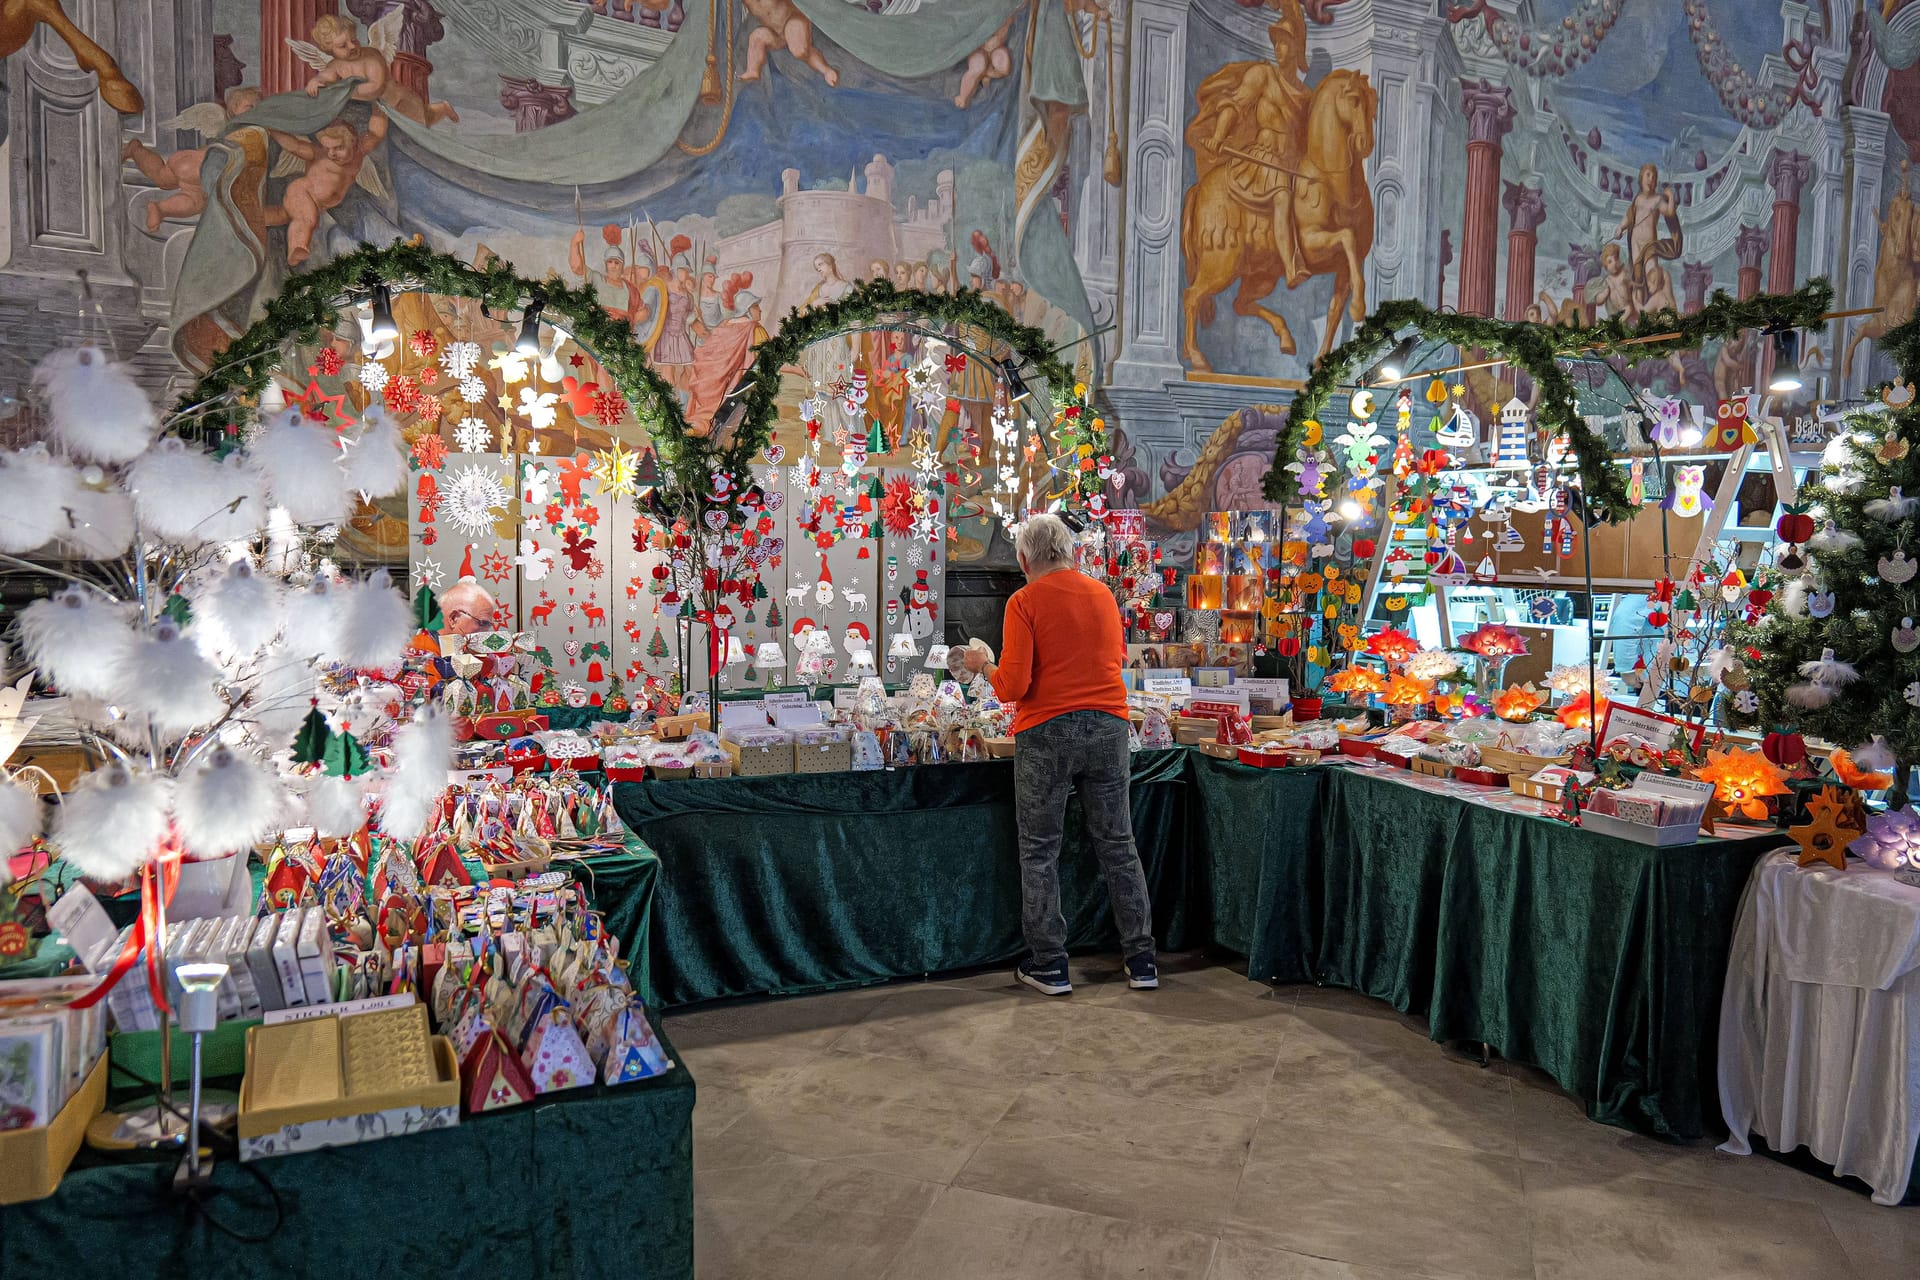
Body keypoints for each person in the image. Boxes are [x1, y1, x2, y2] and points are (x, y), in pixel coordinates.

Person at [961, 514, 1157, 995]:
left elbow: (1014, 686)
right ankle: (1143, 959)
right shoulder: (1104, 595)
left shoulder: (1024, 601)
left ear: (1024, 558)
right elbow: (1116, 660)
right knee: (1119, 843)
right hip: (1111, 726)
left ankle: (1050, 964)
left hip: (1046, 731)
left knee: (1039, 849)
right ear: (1069, 552)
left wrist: (982, 664)